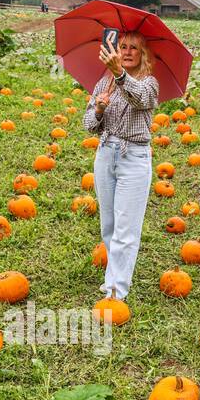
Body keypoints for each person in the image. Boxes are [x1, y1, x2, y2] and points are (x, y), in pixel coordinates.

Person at [83, 31, 159, 302]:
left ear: (142, 54)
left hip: (134, 158)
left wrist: (119, 75)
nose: (127, 52)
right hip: (105, 154)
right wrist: (100, 109)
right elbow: (88, 125)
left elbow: (141, 99)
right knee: (109, 225)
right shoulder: (104, 83)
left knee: (127, 228)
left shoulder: (149, 83)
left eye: (134, 48)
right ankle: (113, 277)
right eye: (122, 47)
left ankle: (115, 292)